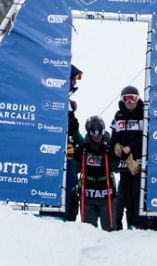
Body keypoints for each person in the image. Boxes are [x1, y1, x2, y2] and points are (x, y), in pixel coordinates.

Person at [111, 85, 146, 229]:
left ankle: (140, 225)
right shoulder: (118, 116)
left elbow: (145, 138)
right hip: (125, 164)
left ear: (138, 100)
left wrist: (130, 147)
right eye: (127, 99)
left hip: (139, 163)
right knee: (127, 196)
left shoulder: (144, 115)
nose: (130, 102)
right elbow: (113, 138)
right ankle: (131, 224)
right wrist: (116, 146)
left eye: (133, 98)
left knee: (139, 195)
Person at [77, 116, 115, 230]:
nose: (97, 136)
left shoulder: (109, 145)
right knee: (88, 230)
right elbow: (75, 169)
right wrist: (75, 153)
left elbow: (116, 169)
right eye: (94, 133)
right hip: (88, 194)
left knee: (110, 230)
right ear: (89, 132)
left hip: (106, 193)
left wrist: (111, 154)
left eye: (99, 132)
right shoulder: (84, 147)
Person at [63, 65, 83, 220]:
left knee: (71, 182)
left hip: (68, 154)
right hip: (56, 153)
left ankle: (68, 218)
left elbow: (75, 133)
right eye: (74, 80)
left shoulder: (68, 102)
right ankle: (57, 215)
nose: (76, 84)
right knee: (64, 183)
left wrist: (86, 146)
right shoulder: (55, 100)